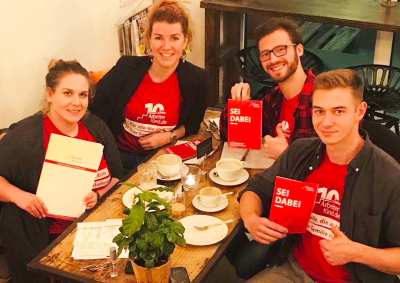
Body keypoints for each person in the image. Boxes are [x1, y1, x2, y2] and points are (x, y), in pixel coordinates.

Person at [240, 69, 400, 283]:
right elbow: (255, 190)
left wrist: (357, 253)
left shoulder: (388, 177)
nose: (325, 122)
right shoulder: (299, 152)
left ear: (360, 112)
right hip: (293, 270)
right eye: (319, 111)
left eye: (339, 111)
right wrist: (251, 219)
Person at [0, 60, 124, 283]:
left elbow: (117, 176)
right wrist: (20, 197)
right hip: (45, 240)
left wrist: (97, 194)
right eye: (68, 93)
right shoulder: (25, 138)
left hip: (93, 231)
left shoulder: (95, 127)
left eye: (83, 95)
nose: (76, 103)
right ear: (50, 94)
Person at [89, 0, 210, 172]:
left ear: (185, 41)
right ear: (149, 40)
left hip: (164, 159)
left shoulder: (198, 79)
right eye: (159, 37)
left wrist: (170, 136)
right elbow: (94, 103)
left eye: (174, 38)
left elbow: (193, 124)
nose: (166, 47)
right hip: (119, 159)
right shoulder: (126, 68)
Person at [220, 17, 317, 159]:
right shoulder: (274, 98)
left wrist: (285, 155)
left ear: (299, 50)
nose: (273, 59)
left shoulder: (322, 99)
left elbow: (332, 165)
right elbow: (229, 135)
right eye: (266, 54)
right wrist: (239, 105)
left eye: (281, 49)